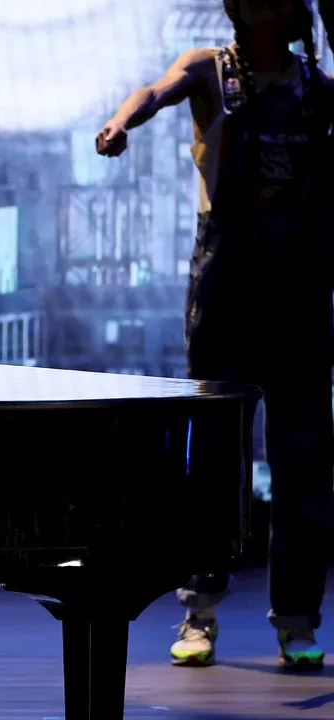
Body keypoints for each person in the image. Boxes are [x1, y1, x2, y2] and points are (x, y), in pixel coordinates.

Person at [96, 0, 334, 670]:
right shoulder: (211, 71)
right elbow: (155, 90)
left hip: (300, 297)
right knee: (213, 460)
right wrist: (120, 121)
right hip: (227, 293)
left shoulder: (315, 89)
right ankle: (199, 613)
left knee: (303, 466)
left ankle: (296, 619)